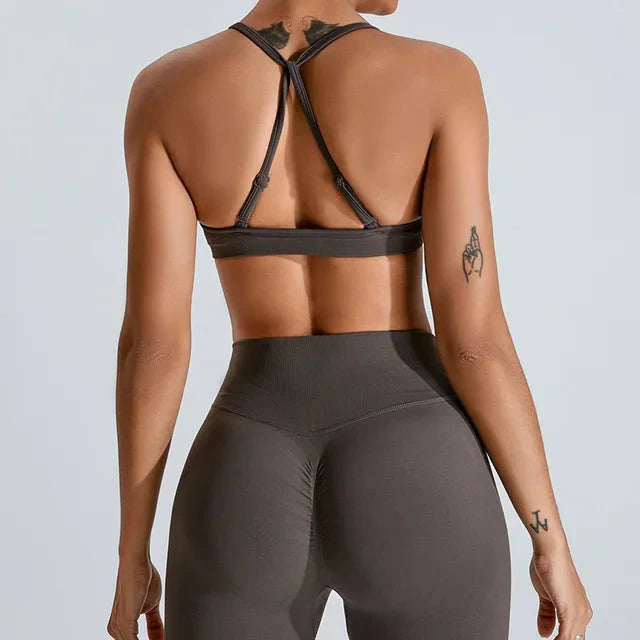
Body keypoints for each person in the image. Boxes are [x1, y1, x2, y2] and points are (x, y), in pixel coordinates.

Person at [107, 1, 593, 639]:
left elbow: (154, 346)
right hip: (417, 467)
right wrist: (549, 538)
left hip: (244, 470)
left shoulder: (165, 89)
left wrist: (132, 555)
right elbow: (475, 342)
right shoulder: (440, 78)